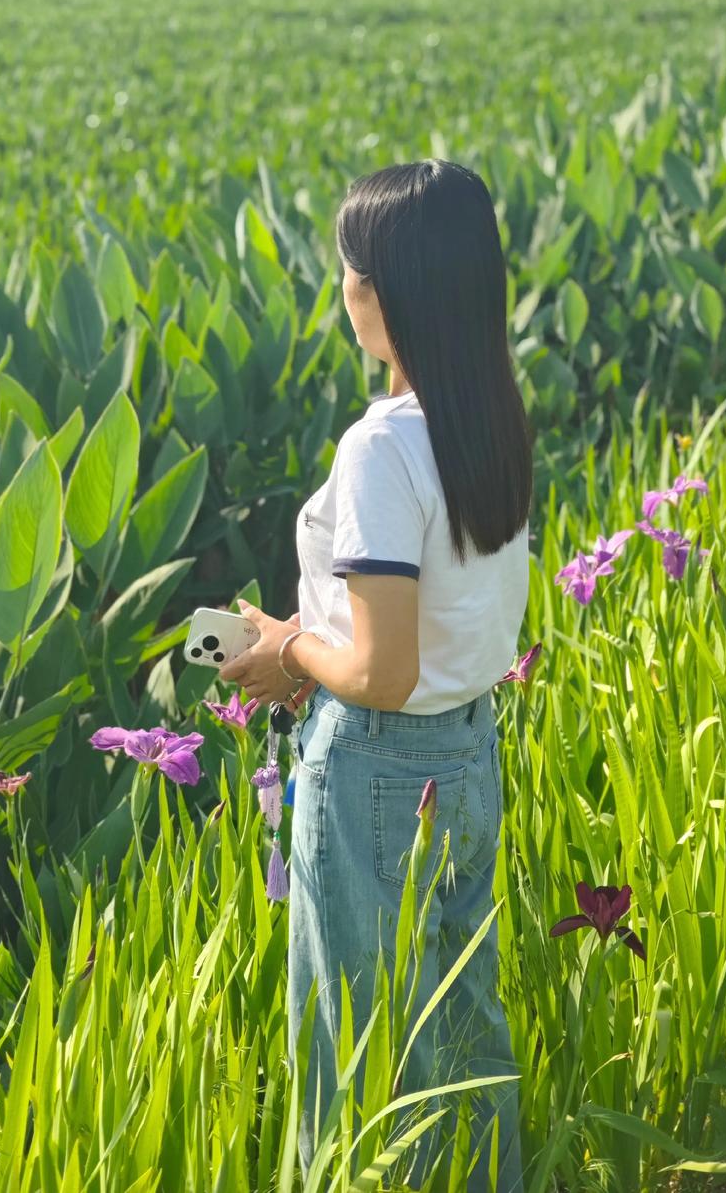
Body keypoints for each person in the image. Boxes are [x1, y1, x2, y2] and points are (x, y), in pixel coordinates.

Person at [218, 160, 532, 1190]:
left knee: (351, 1054)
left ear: (381, 292)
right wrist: (314, 635)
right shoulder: (488, 417)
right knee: (458, 1037)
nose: (343, 285)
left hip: (377, 769)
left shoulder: (378, 446)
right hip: (468, 754)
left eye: (350, 267)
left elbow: (381, 670)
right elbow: (426, 629)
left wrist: (284, 650)